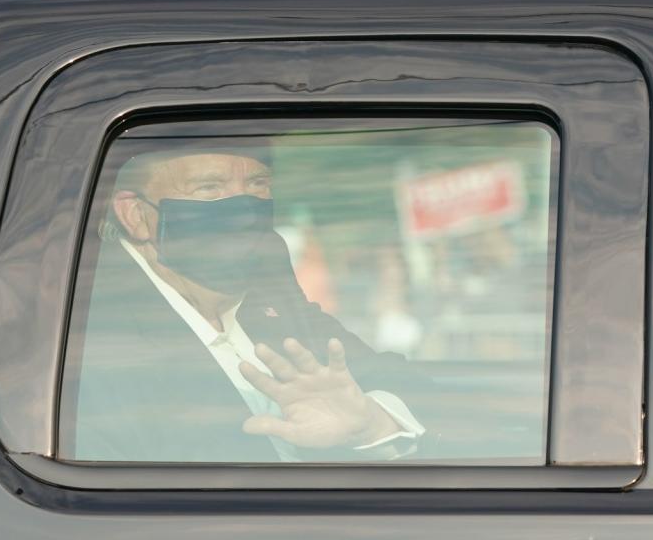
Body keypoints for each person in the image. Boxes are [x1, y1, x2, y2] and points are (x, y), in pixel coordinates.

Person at [64, 146, 428, 462]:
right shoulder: (89, 339)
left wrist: (367, 424)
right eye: (210, 189)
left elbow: (404, 382)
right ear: (136, 215)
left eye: (257, 185)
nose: (244, 209)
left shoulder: (269, 290)